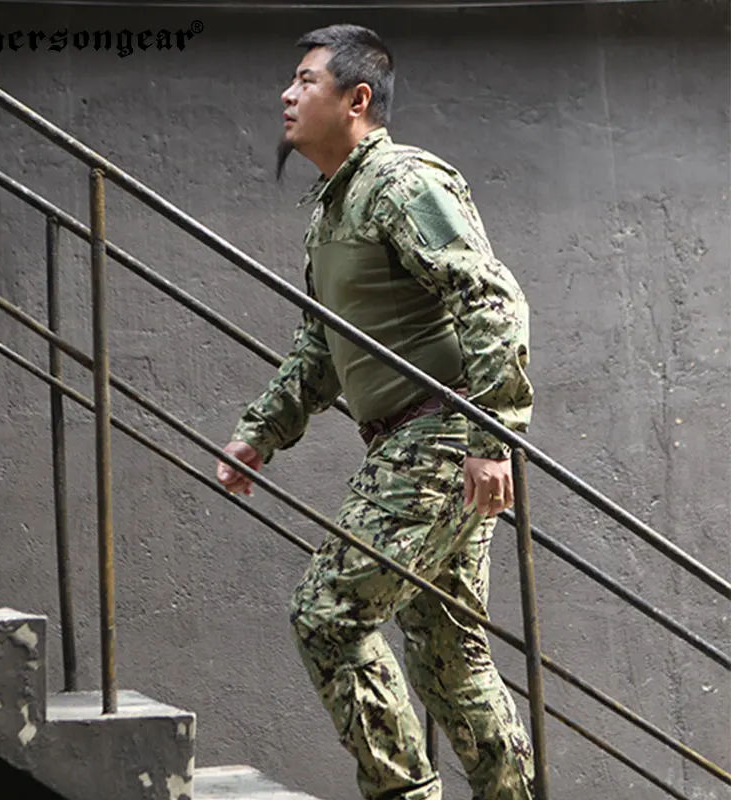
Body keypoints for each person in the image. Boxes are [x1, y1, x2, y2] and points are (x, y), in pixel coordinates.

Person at [216, 23, 536, 800]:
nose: (287, 95)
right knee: (448, 658)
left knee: (327, 615)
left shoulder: (402, 182)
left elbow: (491, 299)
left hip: (438, 440)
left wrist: (493, 437)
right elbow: (321, 348)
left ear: (356, 99)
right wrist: (260, 434)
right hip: (420, 441)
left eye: (306, 81)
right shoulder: (332, 209)